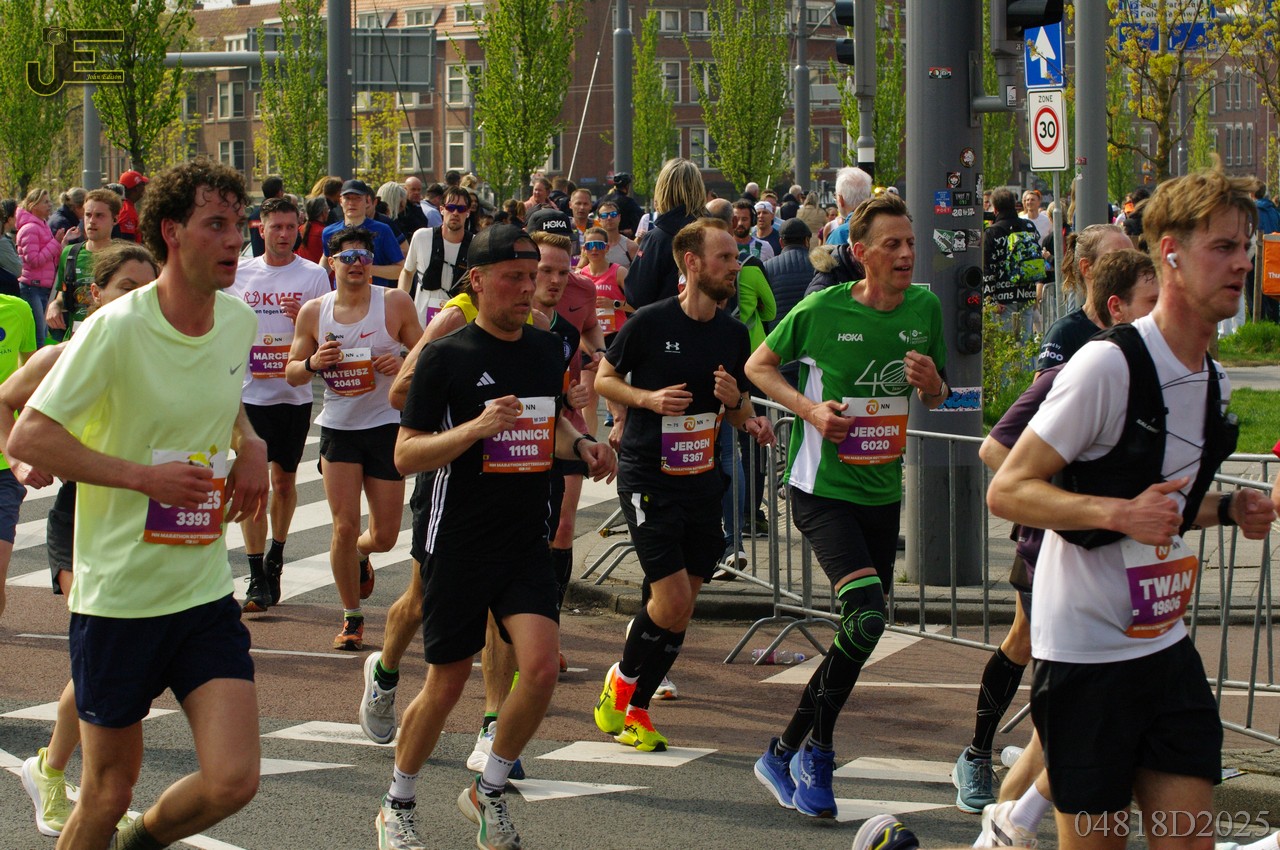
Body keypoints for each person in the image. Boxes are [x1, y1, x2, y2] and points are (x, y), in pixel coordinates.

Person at [987, 167, 1276, 850]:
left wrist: (1230, 507)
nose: (1243, 262)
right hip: (1086, 654)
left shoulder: (1212, 379)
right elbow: (1007, 488)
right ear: (1170, 254)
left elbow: (1165, 506)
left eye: (1246, 246)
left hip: (1164, 647)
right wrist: (1117, 515)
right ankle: (1003, 825)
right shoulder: (1106, 367)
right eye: (1223, 247)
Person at [6, 156, 269, 850]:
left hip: (201, 589)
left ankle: (139, 843)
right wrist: (142, 479)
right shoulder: (116, 329)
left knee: (234, 780)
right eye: (216, 225)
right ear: (171, 233)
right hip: (120, 598)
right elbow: (30, 434)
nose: (234, 239)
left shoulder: (238, 322)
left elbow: (222, 396)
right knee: (106, 793)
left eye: (238, 224)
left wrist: (251, 443)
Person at [376, 224, 615, 850]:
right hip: (458, 538)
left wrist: (584, 445)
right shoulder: (445, 356)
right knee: (446, 682)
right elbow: (405, 454)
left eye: (533, 276)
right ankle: (397, 801)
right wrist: (475, 430)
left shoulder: (545, 349)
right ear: (477, 281)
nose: (528, 288)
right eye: (514, 277)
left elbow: (549, 424)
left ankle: (489, 788)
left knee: (539, 668)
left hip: (524, 538)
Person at [747, 193, 948, 819]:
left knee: (863, 630)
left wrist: (933, 385)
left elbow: (939, 395)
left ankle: (783, 750)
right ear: (861, 254)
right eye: (893, 244)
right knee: (864, 618)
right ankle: (819, 753)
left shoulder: (925, 308)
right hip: (820, 490)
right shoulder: (822, 309)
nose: (907, 254)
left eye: (910, 243)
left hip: (881, 491)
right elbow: (758, 366)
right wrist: (810, 411)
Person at [963, 248, 1161, 847]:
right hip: (1051, 562)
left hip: (1117, 576)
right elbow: (998, 453)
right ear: (1117, 307)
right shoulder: (1074, 364)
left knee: (1064, 732)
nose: (1164, 316)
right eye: (1154, 304)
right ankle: (986, 777)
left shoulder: (1162, 376)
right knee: (1074, 721)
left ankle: (1003, 826)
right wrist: (1071, 507)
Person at [593, 218, 774, 752]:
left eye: (736, 257)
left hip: (702, 483)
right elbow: (605, 378)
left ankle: (637, 707)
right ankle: (624, 685)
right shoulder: (649, 322)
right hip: (650, 478)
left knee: (681, 607)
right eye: (726, 258)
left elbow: (738, 411)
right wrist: (647, 400)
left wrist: (745, 412)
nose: (735, 267)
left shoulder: (733, 334)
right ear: (692, 263)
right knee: (670, 601)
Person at [8, 242, 157, 839]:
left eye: (149, 288)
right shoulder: (61, 355)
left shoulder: (162, 356)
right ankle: (61, 776)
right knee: (99, 654)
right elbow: (5, 403)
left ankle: (75, 779)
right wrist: (20, 463)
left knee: (126, 657)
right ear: (95, 294)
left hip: (145, 520)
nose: (139, 299)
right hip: (81, 521)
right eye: (127, 288)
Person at [287, 226, 422, 650]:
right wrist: (313, 362)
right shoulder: (315, 312)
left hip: (385, 426)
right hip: (339, 427)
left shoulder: (394, 303)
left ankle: (362, 555)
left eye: (364, 256)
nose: (357, 264)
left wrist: (401, 361)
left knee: (384, 536)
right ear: (332, 264)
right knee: (343, 527)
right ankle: (351, 617)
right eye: (348, 258)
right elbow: (291, 372)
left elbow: (427, 356)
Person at [228, 196, 333, 613]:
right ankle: (256, 574)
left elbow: (327, 336)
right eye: (277, 227)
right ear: (261, 228)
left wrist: (300, 319)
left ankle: (276, 553)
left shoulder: (313, 276)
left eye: (291, 227)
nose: (285, 234)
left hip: (293, 394)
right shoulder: (241, 273)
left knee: (285, 483)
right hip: (249, 395)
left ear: (299, 229)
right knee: (254, 484)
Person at [1033, 224, 1132, 376]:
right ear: (1087, 268)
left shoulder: (1141, 325)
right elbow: (1042, 389)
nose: (1129, 267)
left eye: (1132, 257)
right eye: (1116, 258)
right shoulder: (1065, 332)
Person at [623, 158, 705, 309]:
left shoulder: (657, 238)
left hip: (666, 318)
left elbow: (636, 295)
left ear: (662, 190)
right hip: (709, 317)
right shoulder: (713, 232)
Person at [46, 189, 122, 340]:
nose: (92, 221)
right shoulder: (70, 253)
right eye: (88, 215)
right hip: (76, 338)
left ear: (115, 219)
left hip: (111, 337)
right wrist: (55, 305)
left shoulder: (124, 256)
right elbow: (64, 292)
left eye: (99, 215)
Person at [399, 186, 473, 328]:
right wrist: (400, 303)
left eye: (461, 209)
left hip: (460, 324)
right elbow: (407, 272)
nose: (455, 213)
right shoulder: (421, 237)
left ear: (468, 212)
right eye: (451, 207)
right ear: (442, 209)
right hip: (422, 323)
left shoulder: (476, 244)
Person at [16, 188, 75, 347]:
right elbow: (34, 260)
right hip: (32, 287)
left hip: (42, 286)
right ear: (33, 205)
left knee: (42, 332)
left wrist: (63, 242)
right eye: (45, 202)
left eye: (49, 202)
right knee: (38, 335)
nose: (50, 205)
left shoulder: (42, 226)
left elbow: (51, 258)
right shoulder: (30, 228)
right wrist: (55, 242)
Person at [982, 188, 1044, 337]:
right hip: (1027, 291)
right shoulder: (1028, 227)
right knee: (1026, 340)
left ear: (995, 209)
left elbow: (988, 268)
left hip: (1003, 297)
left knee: (1006, 342)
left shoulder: (992, 232)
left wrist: (989, 300)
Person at [322, 180, 404, 289]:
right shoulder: (329, 232)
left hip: (374, 294)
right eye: (347, 198)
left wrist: (364, 267)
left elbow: (400, 269)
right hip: (341, 295)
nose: (352, 203)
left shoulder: (382, 230)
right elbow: (326, 263)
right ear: (341, 201)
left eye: (357, 198)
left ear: (367, 201)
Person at [824, 166, 874, 245]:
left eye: (835, 196)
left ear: (840, 200)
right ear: (869, 196)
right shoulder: (884, 226)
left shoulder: (840, 234)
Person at [247, 176, 285, 257]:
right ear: (279, 192)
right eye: (282, 190)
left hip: (258, 261)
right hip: (278, 260)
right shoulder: (282, 215)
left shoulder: (253, 217)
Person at [600, 171, 644, 237]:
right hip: (624, 237)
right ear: (627, 186)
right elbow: (643, 217)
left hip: (605, 236)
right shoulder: (629, 201)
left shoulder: (604, 198)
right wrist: (633, 230)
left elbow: (591, 208)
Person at [116, 170, 148, 243]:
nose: (144, 188)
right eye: (143, 184)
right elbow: (127, 243)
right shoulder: (126, 211)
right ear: (137, 188)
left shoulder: (125, 205)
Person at [297, 196, 330, 265]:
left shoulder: (300, 229)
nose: (328, 212)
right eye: (328, 209)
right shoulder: (325, 232)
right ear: (323, 211)